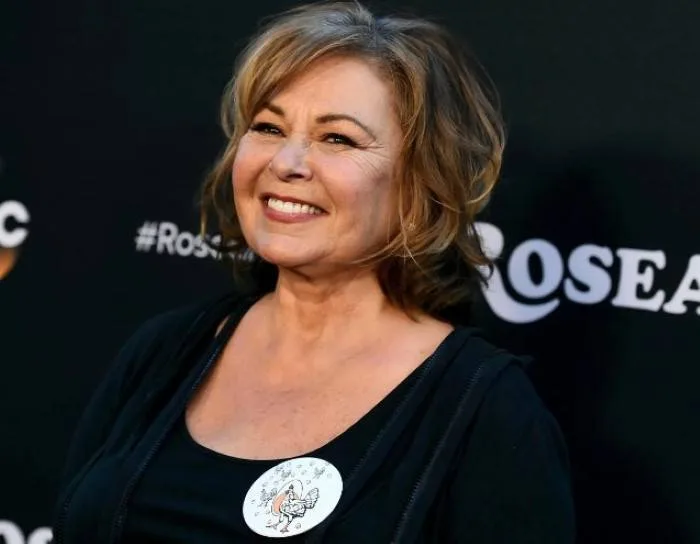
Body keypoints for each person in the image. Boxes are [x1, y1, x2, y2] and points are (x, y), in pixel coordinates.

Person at [51, 2, 575, 542]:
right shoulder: (163, 353)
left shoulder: (485, 414)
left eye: (337, 138)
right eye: (268, 127)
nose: (286, 163)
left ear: (421, 184)